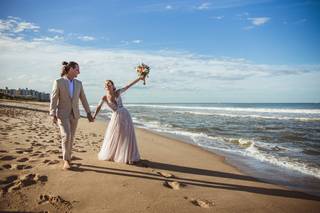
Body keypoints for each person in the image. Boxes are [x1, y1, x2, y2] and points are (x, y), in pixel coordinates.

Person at [49, 61, 94, 170]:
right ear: (71, 69)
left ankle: (68, 157)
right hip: (62, 114)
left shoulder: (79, 83)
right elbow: (54, 98)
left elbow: (83, 98)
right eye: (77, 69)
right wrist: (52, 113)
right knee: (66, 135)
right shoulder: (58, 82)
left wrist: (88, 113)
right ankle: (66, 160)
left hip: (75, 114)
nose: (79, 71)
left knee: (71, 137)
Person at [93, 76, 145, 164]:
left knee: (126, 135)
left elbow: (129, 85)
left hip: (125, 115)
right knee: (116, 135)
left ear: (113, 86)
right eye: (106, 84)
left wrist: (139, 78)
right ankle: (115, 155)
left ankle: (129, 156)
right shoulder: (104, 97)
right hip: (116, 116)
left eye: (110, 83)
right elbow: (98, 107)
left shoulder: (118, 92)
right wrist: (94, 116)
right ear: (105, 87)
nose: (108, 85)